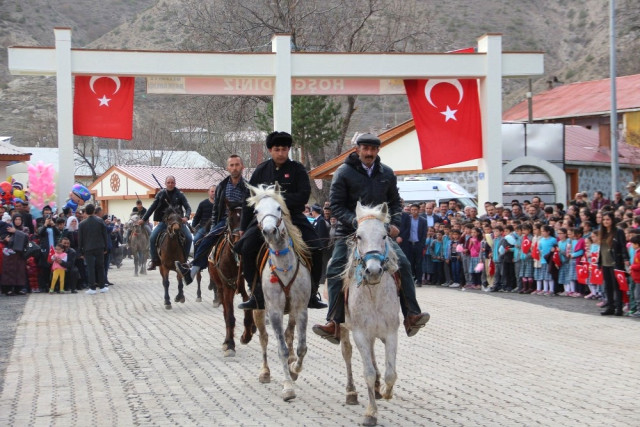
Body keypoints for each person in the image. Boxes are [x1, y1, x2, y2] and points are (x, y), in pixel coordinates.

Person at [312, 133, 429, 343]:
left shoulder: (387, 173)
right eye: (365, 149)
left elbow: (395, 204)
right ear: (357, 150)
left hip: (379, 233)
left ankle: (412, 314)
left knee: (403, 263)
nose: (369, 153)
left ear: (378, 151)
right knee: (335, 268)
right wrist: (358, 223)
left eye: (373, 149)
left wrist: (395, 224)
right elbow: (336, 206)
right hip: (349, 233)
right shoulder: (343, 173)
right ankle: (333, 322)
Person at [233, 132, 326, 310]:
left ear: (289, 150)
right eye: (277, 149)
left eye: (284, 149)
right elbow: (248, 199)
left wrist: (279, 200)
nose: (281, 153)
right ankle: (256, 293)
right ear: (270, 150)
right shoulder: (261, 170)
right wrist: (243, 227)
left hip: (293, 217)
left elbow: (303, 195)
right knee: (245, 248)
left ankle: (312, 293)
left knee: (316, 246)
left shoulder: (298, 169)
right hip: (264, 219)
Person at [176, 155, 248, 284]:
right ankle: (191, 272)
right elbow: (216, 209)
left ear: (242, 167)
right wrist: (214, 226)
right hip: (225, 221)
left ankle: (256, 283)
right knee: (205, 241)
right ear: (227, 168)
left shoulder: (248, 186)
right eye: (231, 165)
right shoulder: (222, 186)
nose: (234, 168)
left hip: (243, 221)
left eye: (237, 165)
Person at [140, 176, 192, 270]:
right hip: (164, 222)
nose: (170, 184)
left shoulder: (180, 194)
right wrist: (144, 219)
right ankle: (154, 260)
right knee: (152, 238)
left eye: (172, 182)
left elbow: (188, 207)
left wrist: (186, 217)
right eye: (168, 182)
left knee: (188, 237)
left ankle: (184, 261)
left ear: (175, 184)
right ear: (165, 183)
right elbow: (152, 207)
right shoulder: (160, 194)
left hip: (177, 222)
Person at [598, 212, 628, 316]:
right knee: (608, 286)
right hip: (605, 263)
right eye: (604, 219)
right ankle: (610, 307)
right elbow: (601, 249)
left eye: (608, 219)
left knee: (617, 286)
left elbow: (623, 246)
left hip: (615, 263)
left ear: (612, 220)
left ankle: (619, 308)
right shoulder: (602, 232)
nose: (606, 221)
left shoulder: (618, 232)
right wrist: (599, 262)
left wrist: (625, 258)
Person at [78, 203, 109, 294]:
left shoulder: (82, 224)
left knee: (90, 267)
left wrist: (81, 251)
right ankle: (102, 286)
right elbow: (105, 235)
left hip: (88, 248)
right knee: (100, 266)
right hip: (99, 247)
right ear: (94, 211)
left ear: (86, 212)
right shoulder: (100, 221)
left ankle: (92, 288)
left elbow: (80, 238)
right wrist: (105, 247)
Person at [309, 204, 330, 285]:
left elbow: (322, 235)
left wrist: (321, 246)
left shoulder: (321, 221)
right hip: (316, 247)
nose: (311, 213)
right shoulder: (316, 220)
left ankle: (323, 278)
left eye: (312, 211)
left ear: (314, 212)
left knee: (323, 263)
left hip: (320, 247)